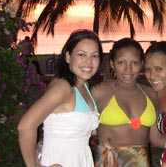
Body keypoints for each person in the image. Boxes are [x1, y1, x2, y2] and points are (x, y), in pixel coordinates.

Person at [17, 29, 104, 167]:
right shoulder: (62, 88)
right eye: (81, 55)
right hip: (61, 161)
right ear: (68, 56)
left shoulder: (84, 85)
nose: (88, 62)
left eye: (94, 56)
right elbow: (26, 126)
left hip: (81, 160)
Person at [91, 38, 162, 167]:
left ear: (141, 64)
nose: (128, 69)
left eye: (134, 62)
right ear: (112, 64)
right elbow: (79, 127)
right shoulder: (99, 92)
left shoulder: (151, 94)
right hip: (109, 162)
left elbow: (156, 138)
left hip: (141, 162)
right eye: (121, 62)